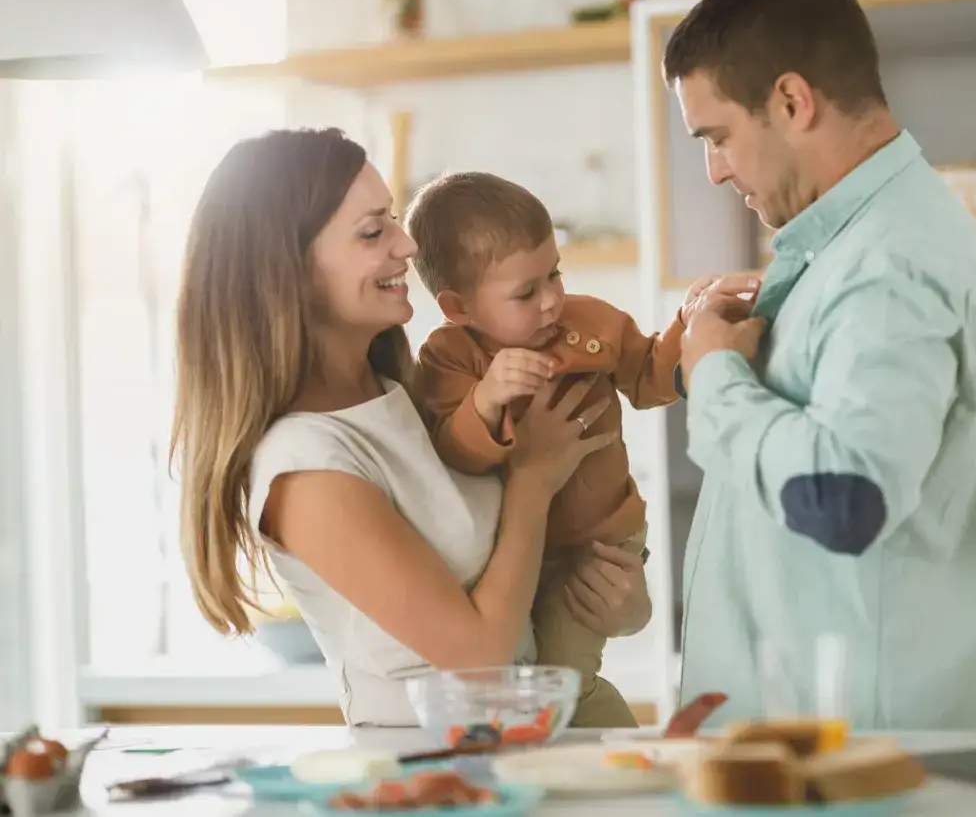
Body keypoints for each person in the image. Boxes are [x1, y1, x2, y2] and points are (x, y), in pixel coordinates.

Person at [170, 128, 652, 727]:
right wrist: (534, 479)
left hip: (517, 754)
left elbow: (517, 585)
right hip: (429, 777)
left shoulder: (408, 395)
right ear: (289, 270)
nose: (406, 246)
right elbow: (477, 656)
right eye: (374, 232)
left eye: (394, 221)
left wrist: (621, 606)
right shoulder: (307, 463)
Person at [665, 0, 976, 730]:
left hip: (864, 764)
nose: (714, 170)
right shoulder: (863, 247)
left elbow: (845, 497)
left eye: (718, 136)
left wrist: (719, 376)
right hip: (829, 752)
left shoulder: (888, 265)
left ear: (793, 101)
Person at [403, 171, 708, 727]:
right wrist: (487, 399)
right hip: (519, 552)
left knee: (559, 687)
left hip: (599, 543)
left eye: (555, 274)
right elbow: (455, 453)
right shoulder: (449, 359)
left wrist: (689, 331)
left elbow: (650, 378)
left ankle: (635, 757)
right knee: (525, 688)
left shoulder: (591, 323)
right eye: (525, 292)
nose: (551, 301)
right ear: (458, 308)